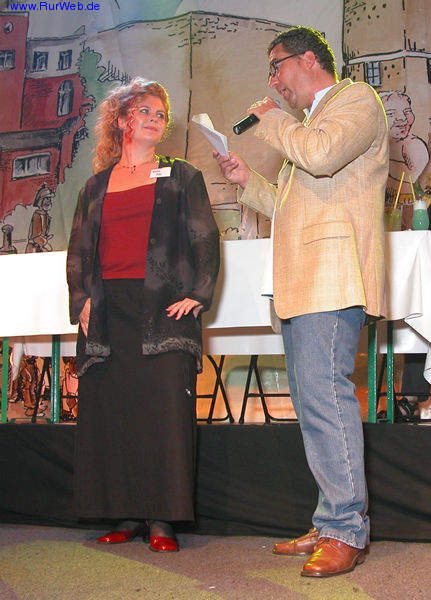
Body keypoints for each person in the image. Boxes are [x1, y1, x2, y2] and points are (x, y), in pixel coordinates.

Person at [214, 26, 388, 577]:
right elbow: (292, 204)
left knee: (326, 400)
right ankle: (329, 517)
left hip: (332, 277)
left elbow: (320, 155)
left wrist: (270, 119)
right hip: (305, 279)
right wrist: (247, 181)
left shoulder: (356, 100)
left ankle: (346, 528)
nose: (272, 83)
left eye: (276, 67)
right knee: (315, 405)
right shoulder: (309, 126)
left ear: (308, 59)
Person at [67, 78, 219, 552]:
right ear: (121, 120)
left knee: (164, 414)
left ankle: (163, 521)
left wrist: (198, 293)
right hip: (107, 311)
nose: (155, 119)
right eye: (145, 111)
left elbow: (204, 236)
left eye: (160, 113)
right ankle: (126, 514)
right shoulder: (96, 185)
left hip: (163, 308)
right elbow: (78, 249)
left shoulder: (181, 175)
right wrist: (81, 299)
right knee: (113, 413)